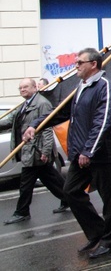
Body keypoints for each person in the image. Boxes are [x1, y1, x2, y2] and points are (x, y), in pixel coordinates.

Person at [23, 48, 111, 259]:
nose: (75, 66)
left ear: (93, 64)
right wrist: (36, 125)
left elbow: (102, 122)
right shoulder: (81, 87)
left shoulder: (106, 87)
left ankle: (109, 242)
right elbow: (61, 113)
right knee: (70, 191)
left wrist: (89, 150)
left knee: (109, 199)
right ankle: (97, 232)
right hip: (80, 153)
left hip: (99, 154)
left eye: (79, 62)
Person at [0, 78, 68, 225]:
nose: (22, 90)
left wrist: (45, 151)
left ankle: (22, 212)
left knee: (26, 184)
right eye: (20, 88)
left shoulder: (42, 104)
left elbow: (47, 129)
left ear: (34, 88)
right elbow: (9, 121)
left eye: (25, 87)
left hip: (35, 151)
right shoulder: (24, 105)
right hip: (29, 150)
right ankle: (70, 199)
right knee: (52, 180)